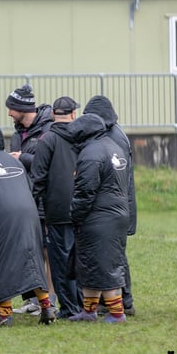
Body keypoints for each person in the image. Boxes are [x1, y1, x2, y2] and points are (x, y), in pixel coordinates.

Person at [0, 124, 56, 327]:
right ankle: (47, 307)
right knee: (33, 260)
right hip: (29, 216)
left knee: (1, 264)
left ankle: (4, 315)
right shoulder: (13, 161)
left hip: (0, 218)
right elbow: (29, 187)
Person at [66, 113, 130, 323]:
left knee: (103, 265)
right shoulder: (114, 147)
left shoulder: (90, 153)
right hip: (116, 214)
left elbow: (85, 191)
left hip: (98, 217)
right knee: (92, 263)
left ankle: (117, 313)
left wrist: (75, 214)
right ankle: (89, 311)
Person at [83, 95, 137, 317]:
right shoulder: (118, 134)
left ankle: (124, 302)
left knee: (113, 258)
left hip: (113, 209)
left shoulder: (110, 138)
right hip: (122, 207)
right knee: (115, 256)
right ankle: (119, 301)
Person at [5, 84, 56, 315]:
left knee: (47, 252)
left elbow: (51, 163)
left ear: (22, 108)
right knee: (30, 250)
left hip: (44, 199)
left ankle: (51, 300)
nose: (8, 113)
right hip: (24, 200)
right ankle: (34, 300)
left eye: (11, 109)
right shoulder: (17, 133)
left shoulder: (48, 130)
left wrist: (22, 157)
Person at [31, 96, 84, 319]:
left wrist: (33, 209)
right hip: (82, 209)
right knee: (80, 258)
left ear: (53, 114)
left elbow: (38, 178)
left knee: (60, 260)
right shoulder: (83, 139)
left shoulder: (47, 140)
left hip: (56, 211)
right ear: (73, 114)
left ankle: (69, 307)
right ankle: (84, 305)